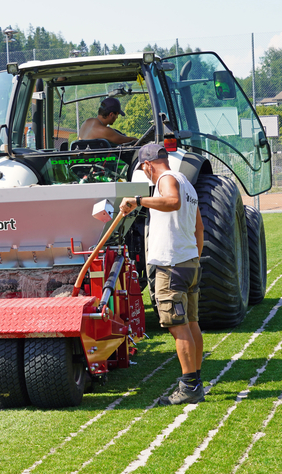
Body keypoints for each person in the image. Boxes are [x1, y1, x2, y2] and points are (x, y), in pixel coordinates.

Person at [119, 143, 205, 405]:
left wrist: (137, 201)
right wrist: (194, 257)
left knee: (178, 327)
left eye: (143, 170)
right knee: (191, 324)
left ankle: (189, 387)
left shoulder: (166, 180)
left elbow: (172, 201)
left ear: (147, 164)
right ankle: (196, 383)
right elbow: (198, 227)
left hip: (171, 264)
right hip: (188, 263)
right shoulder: (187, 183)